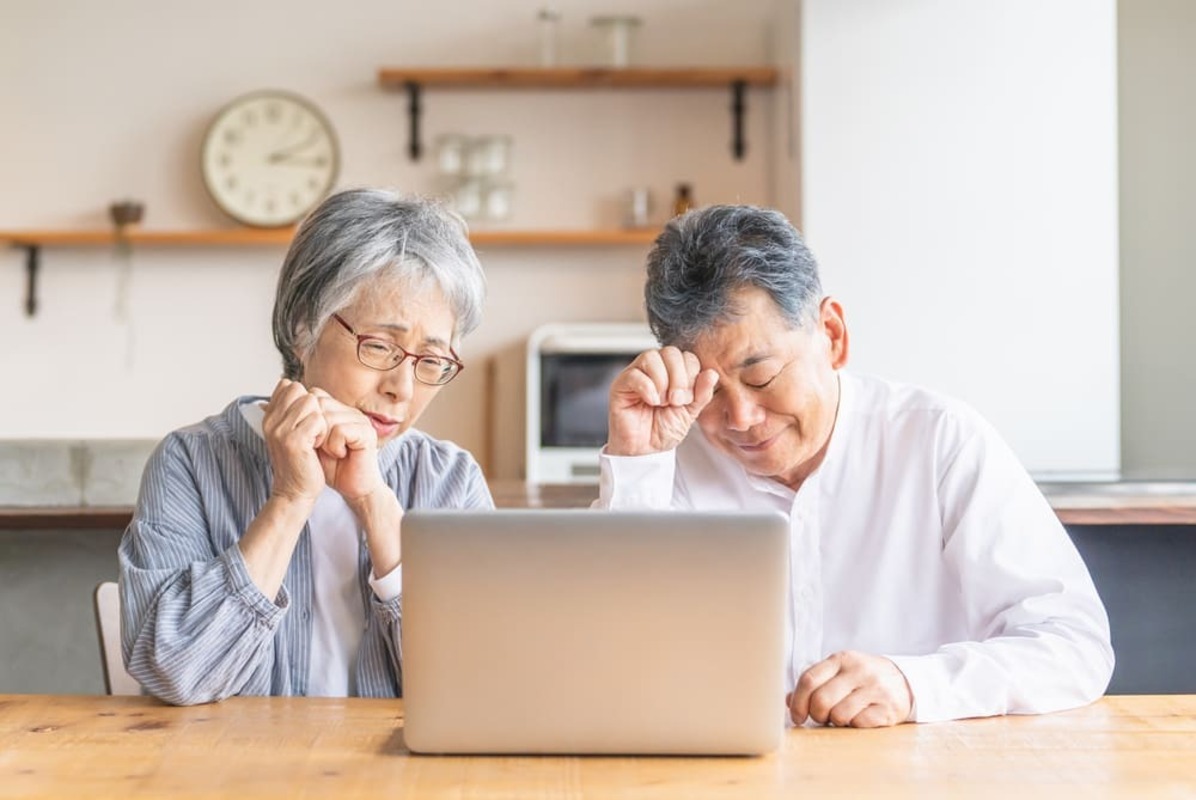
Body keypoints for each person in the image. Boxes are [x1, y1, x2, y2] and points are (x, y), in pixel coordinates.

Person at [597, 204, 1113, 727]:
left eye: (760, 377)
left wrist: (914, 685)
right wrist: (637, 463)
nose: (740, 418)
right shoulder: (670, 462)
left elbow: (1072, 645)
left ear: (832, 335)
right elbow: (601, 663)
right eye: (708, 392)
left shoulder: (939, 441)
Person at [119, 189, 491, 705]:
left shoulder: (448, 479)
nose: (403, 389)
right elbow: (175, 674)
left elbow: (480, 684)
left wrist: (375, 505)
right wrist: (290, 499)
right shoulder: (191, 462)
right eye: (380, 347)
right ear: (302, 328)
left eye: (431, 361)